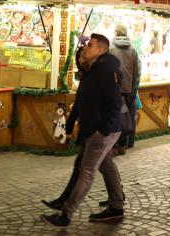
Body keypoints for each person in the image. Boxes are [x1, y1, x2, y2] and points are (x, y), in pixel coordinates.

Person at [41, 34, 124, 227]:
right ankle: (116, 207)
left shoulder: (105, 70)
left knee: (86, 171)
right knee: (106, 166)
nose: (86, 47)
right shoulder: (93, 70)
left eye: (91, 45)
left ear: (101, 50)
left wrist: (102, 130)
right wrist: (71, 126)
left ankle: (66, 215)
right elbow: (81, 101)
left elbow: (115, 102)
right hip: (98, 129)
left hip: (102, 131)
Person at [108, 24, 141, 154]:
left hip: (113, 88)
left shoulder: (110, 48)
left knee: (113, 116)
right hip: (127, 89)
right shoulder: (133, 50)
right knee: (126, 117)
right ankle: (123, 144)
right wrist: (132, 89)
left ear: (116, 33)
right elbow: (137, 72)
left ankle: (114, 144)